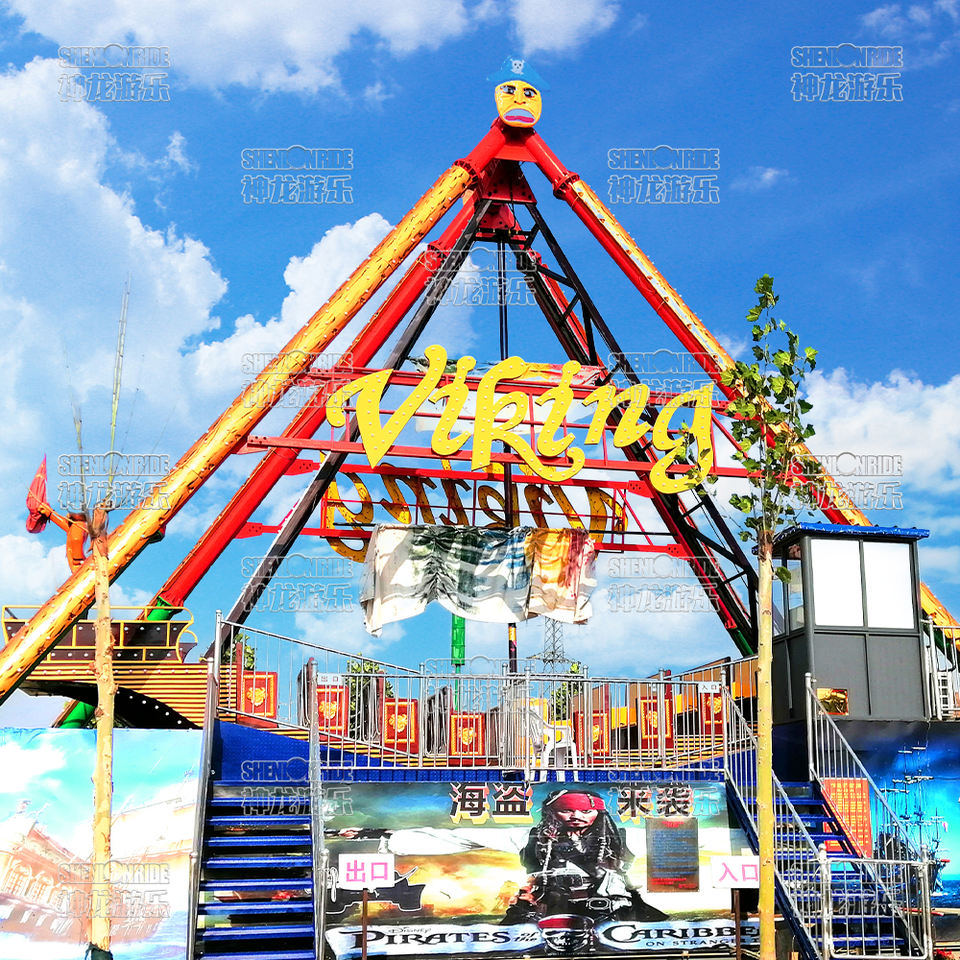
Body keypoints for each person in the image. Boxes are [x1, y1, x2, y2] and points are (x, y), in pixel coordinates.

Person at [503, 789, 666, 925]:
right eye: (566, 810)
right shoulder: (532, 837)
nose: (576, 816)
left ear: (598, 812)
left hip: (608, 907)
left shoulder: (623, 837)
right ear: (552, 812)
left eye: (586, 811)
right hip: (549, 906)